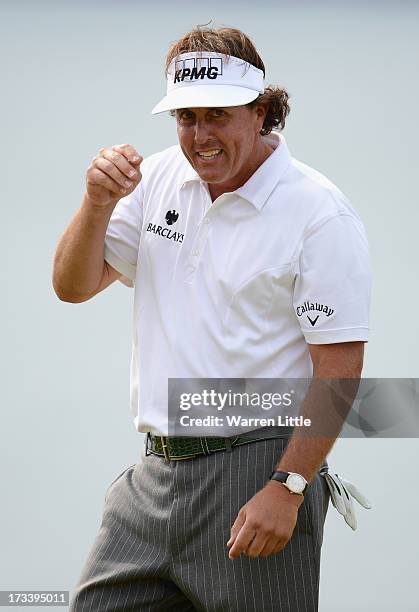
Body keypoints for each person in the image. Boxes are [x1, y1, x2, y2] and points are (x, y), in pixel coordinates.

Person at [53, 26, 372, 612]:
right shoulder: (155, 179)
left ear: (261, 111)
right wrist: (96, 204)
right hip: (152, 474)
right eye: (186, 117)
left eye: (218, 115)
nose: (200, 137)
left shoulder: (318, 212)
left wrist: (289, 487)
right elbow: (72, 287)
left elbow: (340, 364)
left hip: (258, 470)